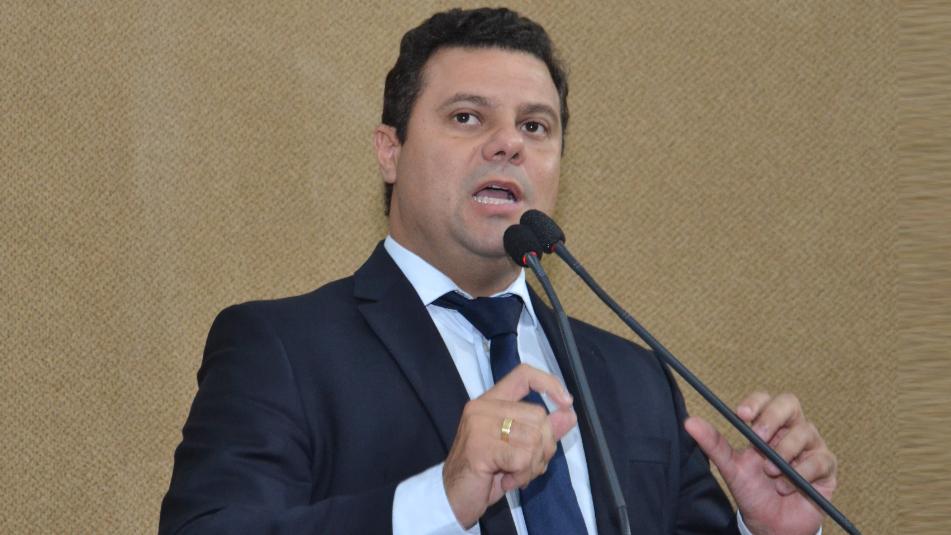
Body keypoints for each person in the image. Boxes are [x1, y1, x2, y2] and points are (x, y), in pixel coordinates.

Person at [160, 7, 837, 535]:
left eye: (535, 127)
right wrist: (441, 498)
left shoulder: (634, 380)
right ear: (390, 151)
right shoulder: (283, 349)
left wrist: (763, 529)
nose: (509, 143)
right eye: (466, 117)